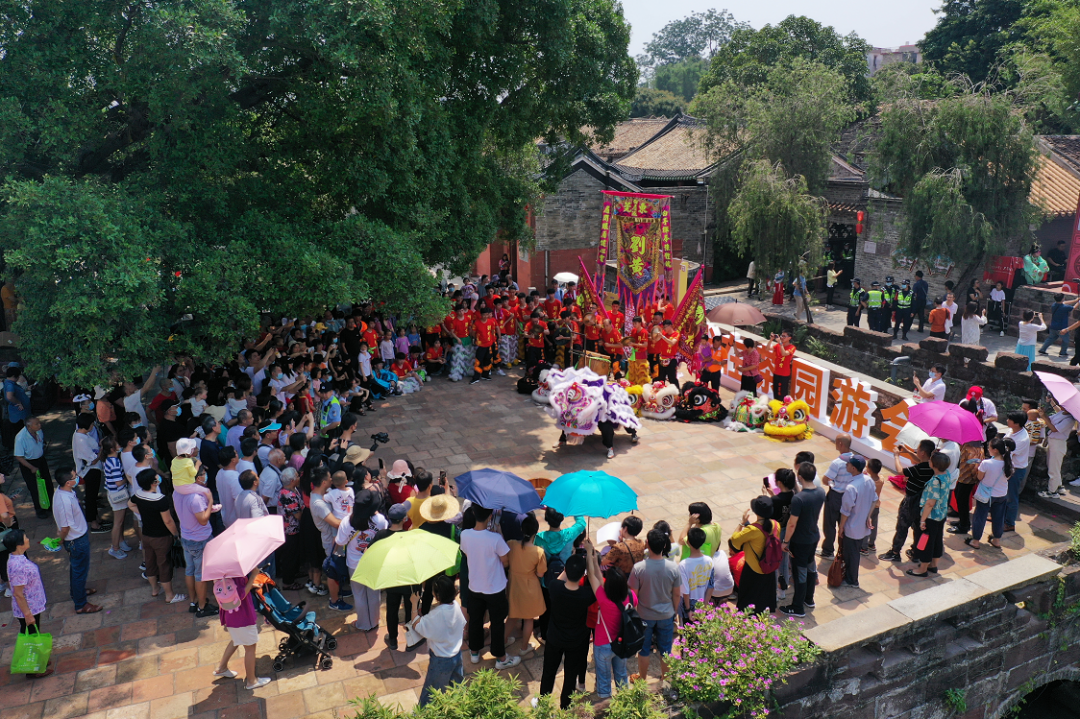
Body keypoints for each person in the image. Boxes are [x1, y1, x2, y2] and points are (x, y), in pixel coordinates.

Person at [460, 505, 520, 669]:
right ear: (489, 517)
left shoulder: (465, 535)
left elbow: (467, 553)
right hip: (495, 588)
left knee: (476, 620)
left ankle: (474, 652)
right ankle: (501, 658)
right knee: (497, 622)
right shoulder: (495, 539)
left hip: (474, 586)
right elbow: (505, 561)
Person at [538, 552, 594, 708]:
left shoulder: (555, 588)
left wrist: (569, 565)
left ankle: (543, 704)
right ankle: (565, 707)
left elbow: (560, 578)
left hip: (554, 638)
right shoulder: (586, 595)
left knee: (548, 672)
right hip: (576, 641)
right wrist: (590, 564)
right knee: (570, 675)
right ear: (583, 574)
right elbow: (597, 586)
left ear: (566, 570)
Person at [628, 528, 679, 683]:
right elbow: (677, 594)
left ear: (647, 544)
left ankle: (642, 679)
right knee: (666, 650)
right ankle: (665, 680)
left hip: (644, 616)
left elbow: (633, 595)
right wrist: (674, 612)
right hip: (666, 615)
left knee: (644, 650)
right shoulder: (673, 568)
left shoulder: (639, 568)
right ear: (664, 546)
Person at [583, 538, 632, 699]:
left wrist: (589, 553)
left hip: (604, 644)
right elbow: (596, 575)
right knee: (621, 674)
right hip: (623, 641)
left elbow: (592, 575)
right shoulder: (631, 596)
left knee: (604, 679)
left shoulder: (603, 599)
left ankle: (605, 705)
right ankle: (624, 703)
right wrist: (592, 555)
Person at [129, 469, 187, 604]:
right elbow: (168, 521)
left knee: (150, 563)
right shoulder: (160, 499)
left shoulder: (138, 495)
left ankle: (155, 589)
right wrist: (176, 534)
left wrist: (144, 514)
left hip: (146, 535)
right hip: (161, 537)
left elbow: (130, 504)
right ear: (154, 483)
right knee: (164, 565)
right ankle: (169, 595)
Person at [4, 529, 53, 677]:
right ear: (19, 544)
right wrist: (28, 614)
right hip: (28, 608)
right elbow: (18, 594)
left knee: (32, 634)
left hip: (32, 605)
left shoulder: (17, 558)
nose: (27, 539)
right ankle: (32, 669)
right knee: (31, 636)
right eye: (25, 538)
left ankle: (38, 660)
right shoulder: (18, 566)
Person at [212, 570, 272, 690]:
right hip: (242, 616)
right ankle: (251, 681)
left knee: (236, 639)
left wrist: (250, 585)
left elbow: (234, 589)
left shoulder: (220, 571)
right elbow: (240, 595)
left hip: (230, 615)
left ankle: (222, 668)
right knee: (250, 647)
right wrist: (253, 576)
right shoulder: (235, 571)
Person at [52, 467, 102, 614]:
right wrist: (60, 539)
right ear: (68, 482)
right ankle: (80, 604)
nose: (77, 478)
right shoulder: (65, 501)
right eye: (75, 476)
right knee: (80, 571)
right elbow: (65, 527)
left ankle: (77, 591)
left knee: (76, 569)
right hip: (76, 540)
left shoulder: (63, 492)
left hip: (77, 538)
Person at [414, 574, 467, 706]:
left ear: (437, 595)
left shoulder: (437, 614)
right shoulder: (455, 606)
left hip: (441, 660)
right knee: (457, 688)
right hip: (457, 655)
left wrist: (414, 604)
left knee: (431, 694)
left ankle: (422, 714)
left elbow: (417, 626)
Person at [173, 462, 219, 616]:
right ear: (198, 478)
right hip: (199, 540)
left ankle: (194, 602)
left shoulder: (177, 491)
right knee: (200, 575)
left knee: (190, 571)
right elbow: (203, 520)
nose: (205, 476)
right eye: (203, 474)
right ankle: (202, 607)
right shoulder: (196, 498)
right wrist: (210, 501)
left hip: (186, 537)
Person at [780, 462, 825, 617]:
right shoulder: (821, 492)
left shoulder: (798, 499)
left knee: (800, 572)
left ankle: (797, 607)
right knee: (810, 567)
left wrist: (785, 541)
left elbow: (792, 524)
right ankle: (809, 598)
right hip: (813, 536)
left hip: (800, 541)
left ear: (799, 477)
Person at [880, 439, 936, 562]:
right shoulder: (932, 465)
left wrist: (896, 456)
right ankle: (916, 552)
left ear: (923, 452)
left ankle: (895, 552)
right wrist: (907, 451)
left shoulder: (920, 468)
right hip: (922, 501)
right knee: (917, 527)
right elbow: (919, 460)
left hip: (911, 501)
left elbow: (900, 471)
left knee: (902, 526)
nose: (916, 451)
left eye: (918, 450)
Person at [729, 497, 779, 614]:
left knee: (747, 599)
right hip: (770, 567)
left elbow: (734, 541)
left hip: (753, 569)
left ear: (756, 512)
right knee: (764, 598)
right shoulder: (776, 525)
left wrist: (742, 523)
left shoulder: (752, 529)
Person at [505, 514, 546, 658]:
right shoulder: (539, 552)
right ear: (536, 532)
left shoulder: (511, 544)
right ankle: (524, 648)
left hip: (513, 585)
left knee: (512, 616)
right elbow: (540, 573)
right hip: (530, 587)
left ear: (522, 530)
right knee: (529, 618)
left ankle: (503, 641)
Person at [908, 452, 952, 576]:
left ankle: (922, 569)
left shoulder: (935, 481)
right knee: (937, 540)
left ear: (934, 465)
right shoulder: (947, 475)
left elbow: (930, 503)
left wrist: (923, 520)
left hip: (931, 516)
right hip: (941, 514)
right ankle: (933, 565)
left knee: (926, 541)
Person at [837, 455, 877, 588]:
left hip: (852, 527)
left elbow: (845, 511)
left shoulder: (851, 487)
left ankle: (852, 580)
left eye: (848, 464)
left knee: (851, 554)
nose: (846, 465)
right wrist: (868, 516)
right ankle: (850, 577)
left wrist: (841, 527)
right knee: (854, 552)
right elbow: (874, 500)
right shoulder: (869, 480)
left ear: (853, 468)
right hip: (861, 526)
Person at [966, 437, 1013, 550]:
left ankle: (975, 541)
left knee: (980, 517)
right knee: (999, 518)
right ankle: (996, 540)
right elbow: (1007, 477)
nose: (988, 449)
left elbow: (980, 477)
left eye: (989, 447)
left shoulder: (986, 463)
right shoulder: (1008, 463)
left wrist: (978, 468)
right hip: (1001, 494)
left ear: (995, 450)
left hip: (985, 495)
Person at [819, 433, 853, 559]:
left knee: (830, 524)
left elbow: (825, 480)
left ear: (840, 444)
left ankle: (828, 551)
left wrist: (832, 483)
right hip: (849, 497)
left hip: (835, 497)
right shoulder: (856, 460)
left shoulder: (837, 463)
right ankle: (842, 552)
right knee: (844, 525)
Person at [72, 413, 108, 533]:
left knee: (92, 497)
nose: (93, 426)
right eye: (92, 424)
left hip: (92, 470)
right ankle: (94, 524)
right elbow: (92, 460)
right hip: (89, 471)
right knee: (91, 498)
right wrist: (102, 449)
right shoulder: (81, 439)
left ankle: (97, 519)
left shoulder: (81, 435)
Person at [13, 417, 52, 519]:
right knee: (35, 488)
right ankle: (40, 510)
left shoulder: (39, 432)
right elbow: (19, 457)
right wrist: (31, 467)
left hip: (40, 460)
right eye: (37, 424)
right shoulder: (20, 438)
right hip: (29, 463)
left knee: (48, 483)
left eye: (39, 423)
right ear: (29, 426)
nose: (39, 425)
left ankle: (50, 506)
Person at [950, 430, 984, 537]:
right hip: (962, 477)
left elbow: (974, 466)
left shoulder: (971, 449)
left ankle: (964, 525)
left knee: (962, 501)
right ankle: (962, 521)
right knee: (959, 497)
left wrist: (975, 479)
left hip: (967, 479)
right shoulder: (971, 446)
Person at [1039, 403, 1074, 498]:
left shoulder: (1070, 419)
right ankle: (1058, 486)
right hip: (1053, 441)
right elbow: (1049, 420)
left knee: (1053, 469)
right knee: (1054, 467)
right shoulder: (1061, 413)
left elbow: (1054, 429)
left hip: (1058, 444)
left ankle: (1052, 491)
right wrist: (1043, 414)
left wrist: (1044, 416)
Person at [1003, 412, 1030, 532]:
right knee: (1003, 494)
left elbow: (1008, 454)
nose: (1007, 420)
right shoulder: (1011, 431)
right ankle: (1001, 517)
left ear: (1017, 423)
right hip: (1008, 468)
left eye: (1010, 419)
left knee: (1011, 497)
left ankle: (1009, 523)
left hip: (1015, 470)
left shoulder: (1022, 439)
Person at [678, 528, 713, 620]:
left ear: (688, 542)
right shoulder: (709, 561)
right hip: (703, 602)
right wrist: (705, 606)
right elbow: (711, 586)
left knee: (686, 628)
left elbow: (685, 591)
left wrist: (688, 610)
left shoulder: (683, 565)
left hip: (687, 605)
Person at [2, 366, 30, 451]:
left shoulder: (11, 384)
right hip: (17, 413)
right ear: (15, 376)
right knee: (20, 430)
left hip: (19, 413)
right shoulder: (10, 385)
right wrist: (18, 402)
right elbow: (9, 396)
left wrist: (27, 389)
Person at [768, 330, 795, 399]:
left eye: (784, 336)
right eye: (781, 336)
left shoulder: (792, 347)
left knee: (783, 392)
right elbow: (767, 348)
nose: (782, 337)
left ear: (789, 338)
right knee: (775, 391)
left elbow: (784, 353)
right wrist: (771, 339)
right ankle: (775, 404)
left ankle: (783, 405)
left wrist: (780, 343)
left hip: (784, 373)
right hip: (776, 371)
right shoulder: (778, 345)